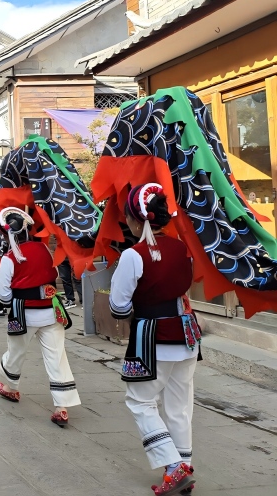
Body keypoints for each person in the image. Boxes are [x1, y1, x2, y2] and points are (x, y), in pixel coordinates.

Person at [109, 183, 199, 496]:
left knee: (140, 401)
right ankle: (184, 467)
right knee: (179, 406)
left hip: (152, 337)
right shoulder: (182, 248)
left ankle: (173, 467)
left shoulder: (133, 255)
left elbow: (118, 306)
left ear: (136, 221)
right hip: (186, 334)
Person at [0, 206, 81, 428]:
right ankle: (61, 407)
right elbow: (54, 274)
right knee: (57, 357)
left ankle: (11, 388)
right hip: (52, 311)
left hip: (23, 314)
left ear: (6, 234)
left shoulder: (9, 258)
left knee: (16, 352)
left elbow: (4, 296)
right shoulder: (44, 248)